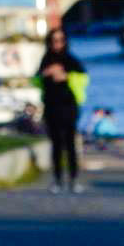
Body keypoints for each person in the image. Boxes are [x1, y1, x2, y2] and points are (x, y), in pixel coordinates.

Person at [34, 24, 86, 192]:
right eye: (54, 40)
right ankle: (57, 180)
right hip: (51, 106)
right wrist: (46, 75)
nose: (57, 43)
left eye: (60, 40)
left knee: (70, 144)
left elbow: (83, 78)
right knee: (56, 144)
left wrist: (66, 76)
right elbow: (35, 79)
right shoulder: (45, 60)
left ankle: (74, 179)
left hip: (69, 106)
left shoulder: (71, 60)